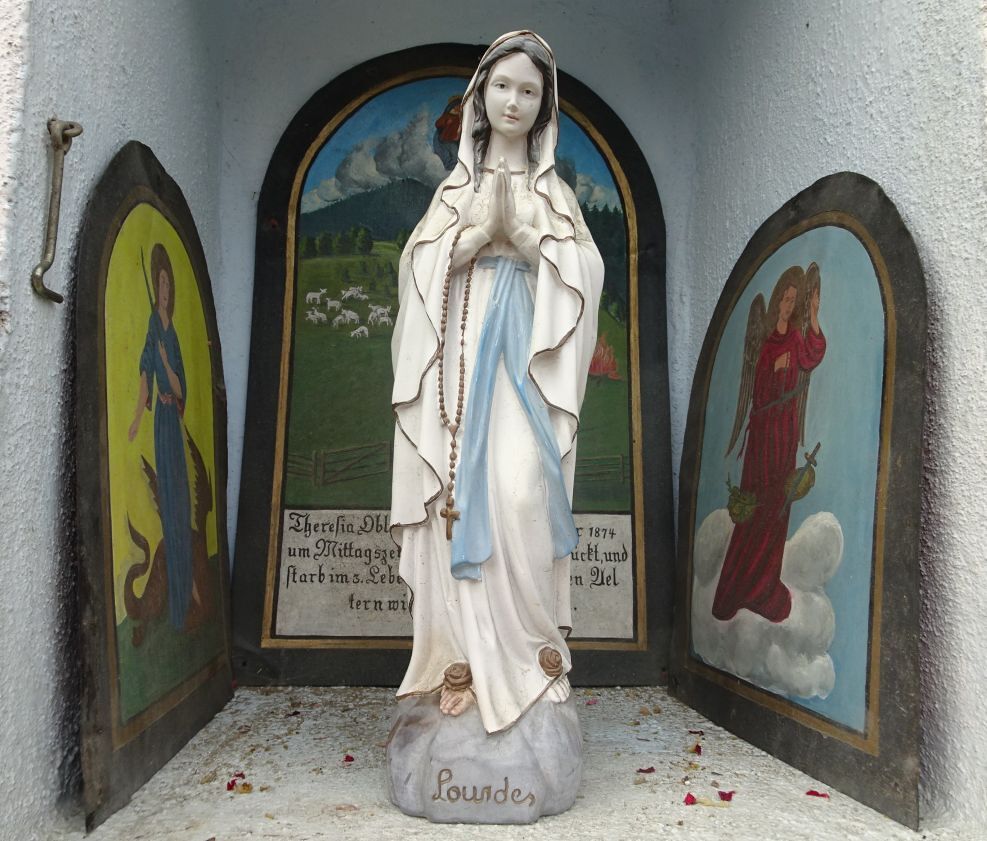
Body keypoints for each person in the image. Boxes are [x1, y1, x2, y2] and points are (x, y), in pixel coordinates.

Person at [389, 31, 604, 734]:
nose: (514, 101)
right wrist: (481, 237)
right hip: (457, 367)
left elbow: (587, 275)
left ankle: (527, 659)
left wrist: (532, 239)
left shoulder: (555, 193)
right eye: (502, 86)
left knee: (520, 493)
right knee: (457, 497)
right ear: (480, 95)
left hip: (523, 373)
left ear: (545, 107)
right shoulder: (456, 190)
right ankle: (463, 663)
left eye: (529, 90)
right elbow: (416, 272)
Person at [712, 264, 825, 622]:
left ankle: (763, 587)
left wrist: (814, 314)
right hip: (763, 432)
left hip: (785, 432)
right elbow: (757, 389)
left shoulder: (795, 339)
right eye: (786, 299)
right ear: (777, 301)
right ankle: (737, 587)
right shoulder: (766, 342)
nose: (789, 305)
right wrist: (775, 366)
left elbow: (812, 356)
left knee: (778, 505)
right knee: (758, 503)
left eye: (794, 300)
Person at [128, 242, 196, 630]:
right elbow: (144, 376)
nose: (166, 289)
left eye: (169, 283)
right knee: (169, 506)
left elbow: (180, 388)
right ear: (155, 285)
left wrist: (167, 361)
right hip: (161, 425)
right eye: (162, 282)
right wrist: (137, 419)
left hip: (173, 418)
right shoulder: (153, 328)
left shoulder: (172, 334)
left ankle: (186, 591)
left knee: (181, 503)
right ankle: (176, 603)